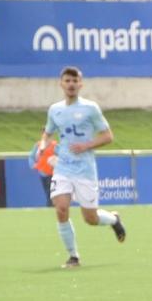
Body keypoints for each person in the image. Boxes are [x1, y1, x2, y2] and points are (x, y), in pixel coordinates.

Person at [40, 66, 125, 268]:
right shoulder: (55, 110)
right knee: (61, 209)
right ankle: (73, 256)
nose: (71, 84)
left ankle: (113, 219)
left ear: (81, 84)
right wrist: (43, 145)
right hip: (63, 168)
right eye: (67, 81)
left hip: (85, 170)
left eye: (74, 81)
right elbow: (48, 131)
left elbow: (108, 136)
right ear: (61, 84)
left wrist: (86, 145)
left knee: (91, 218)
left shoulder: (91, 108)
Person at [28, 134, 56, 207]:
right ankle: (50, 206)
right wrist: (32, 165)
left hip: (53, 173)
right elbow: (31, 156)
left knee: (51, 192)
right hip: (42, 173)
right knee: (47, 192)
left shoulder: (55, 146)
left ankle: (50, 206)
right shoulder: (38, 145)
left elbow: (62, 156)